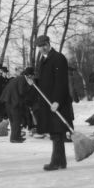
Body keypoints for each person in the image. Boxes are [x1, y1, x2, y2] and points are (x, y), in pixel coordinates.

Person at [34, 35, 73, 170]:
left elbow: (61, 82)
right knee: (55, 133)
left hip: (56, 102)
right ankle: (61, 162)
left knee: (57, 133)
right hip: (48, 102)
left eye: (44, 45)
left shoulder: (58, 58)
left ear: (49, 43)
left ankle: (56, 162)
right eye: (39, 47)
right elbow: (45, 81)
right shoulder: (43, 60)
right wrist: (33, 81)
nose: (42, 49)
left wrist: (57, 100)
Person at [0, 67, 35, 143]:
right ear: (29, 75)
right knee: (16, 119)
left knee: (14, 119)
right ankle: (14, 138)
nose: (33, 78)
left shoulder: (19, 78)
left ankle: (16, 136)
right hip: (13, 102)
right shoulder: (22, 80)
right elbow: (21, 92)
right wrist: (30, 86)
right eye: (32, 76)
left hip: (9, 101)